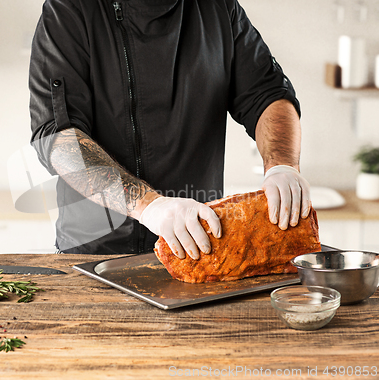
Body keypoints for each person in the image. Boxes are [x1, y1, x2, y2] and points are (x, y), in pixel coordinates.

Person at [29, 0, 311, 257]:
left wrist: (281, 165)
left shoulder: (220, 8)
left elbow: (268, 94)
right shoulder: (70, 10)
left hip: (196, 244)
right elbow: (59, 138)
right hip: (96, 252)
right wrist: (149, 206)